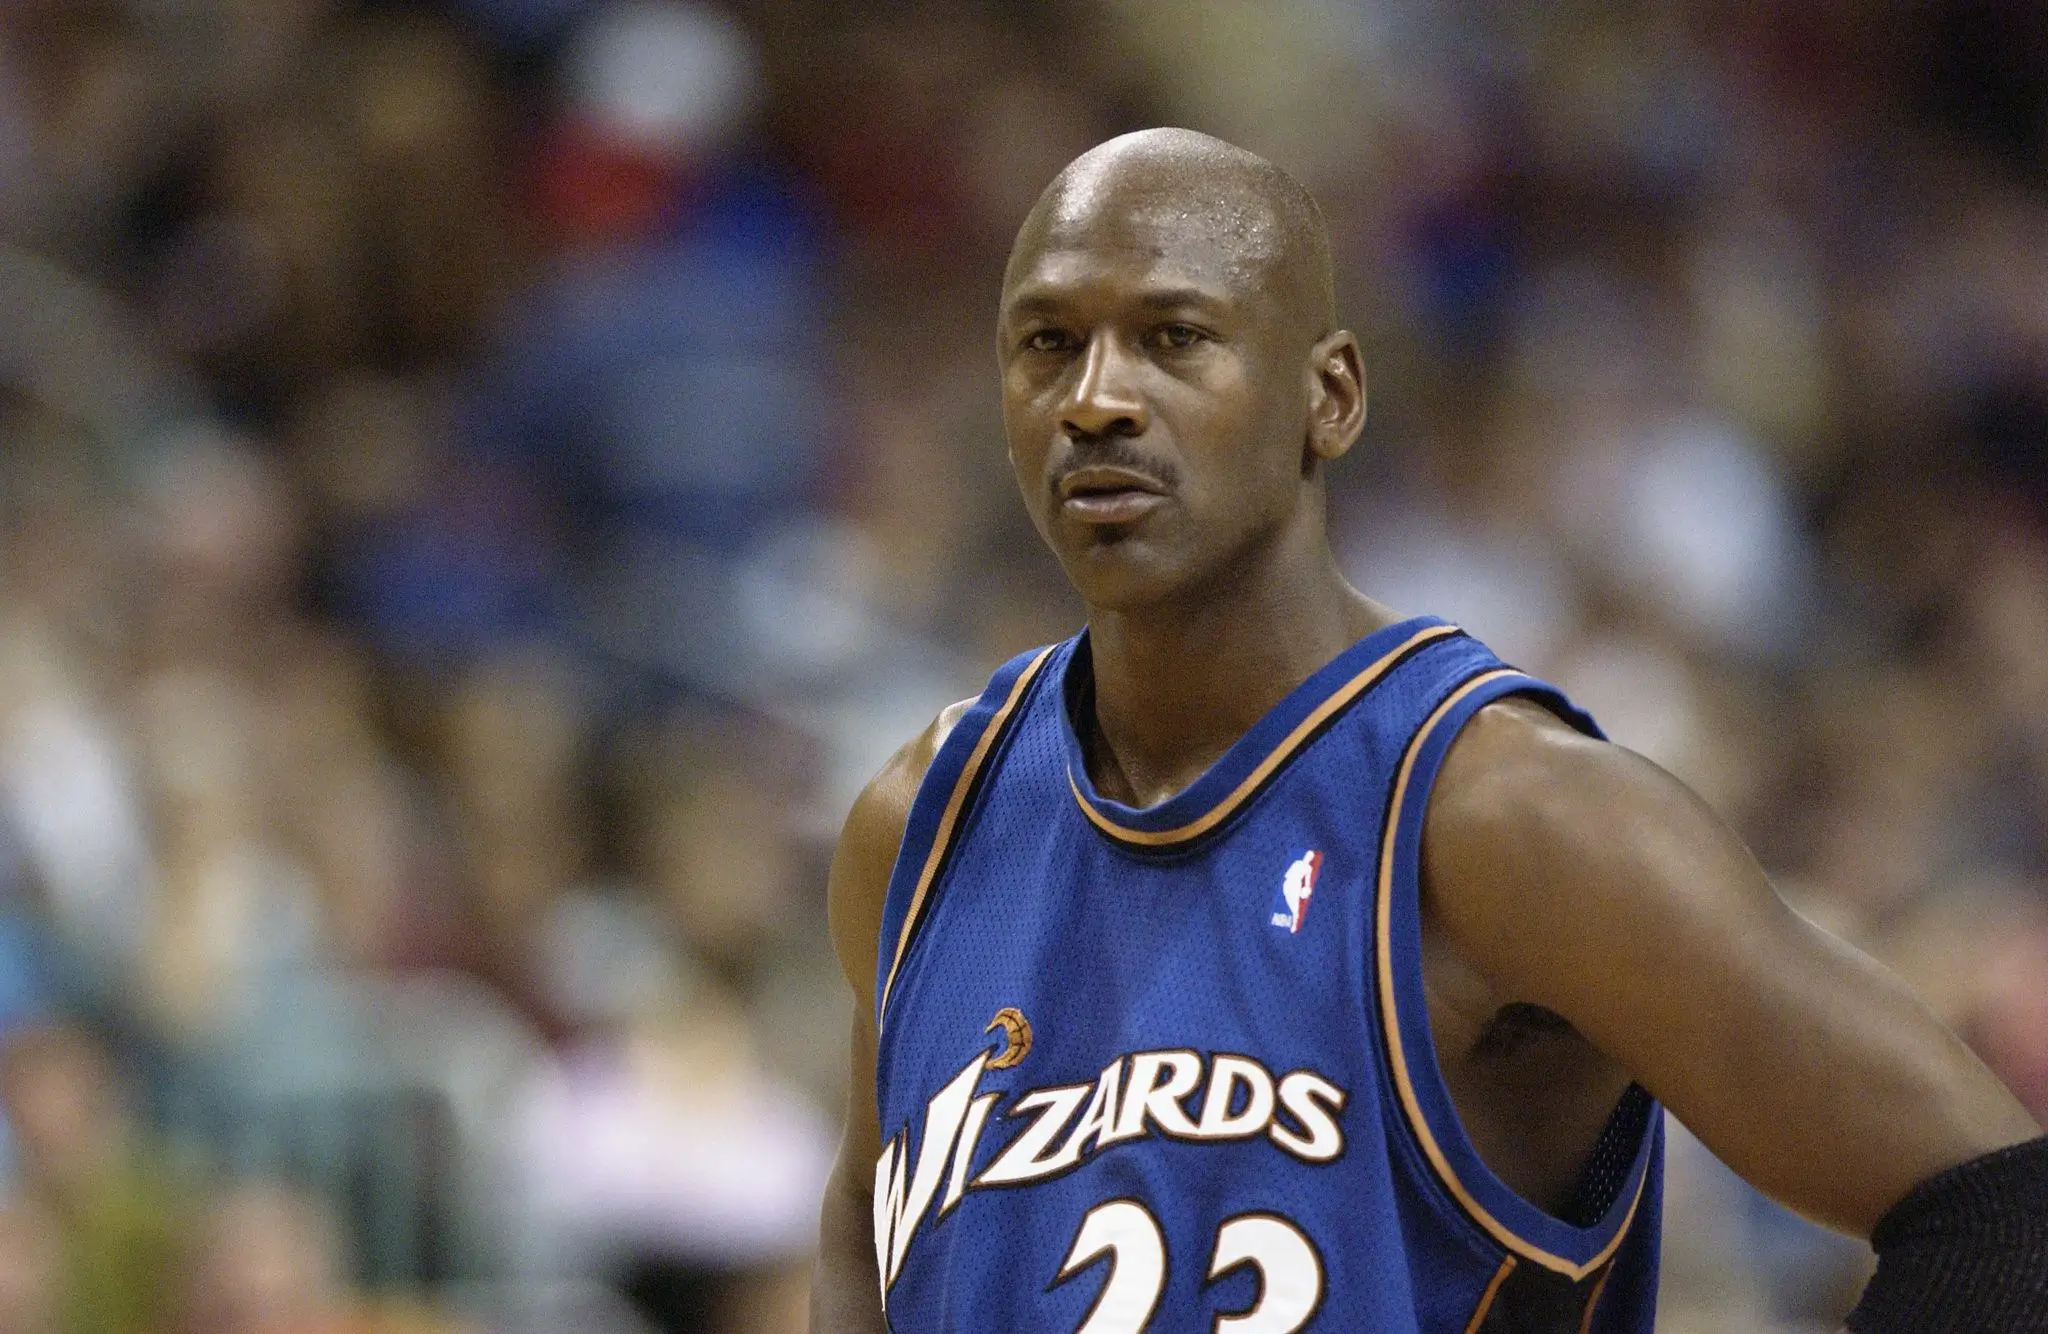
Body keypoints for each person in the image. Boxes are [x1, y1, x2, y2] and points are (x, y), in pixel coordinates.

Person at [808, 129, 2047, 1332]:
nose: (1094, 399)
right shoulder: (922, 820)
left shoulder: (1505, 816)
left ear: (1329, 396)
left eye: (1173, 337)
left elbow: (2002, 1213)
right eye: (1047, 343)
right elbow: (863, 1232)